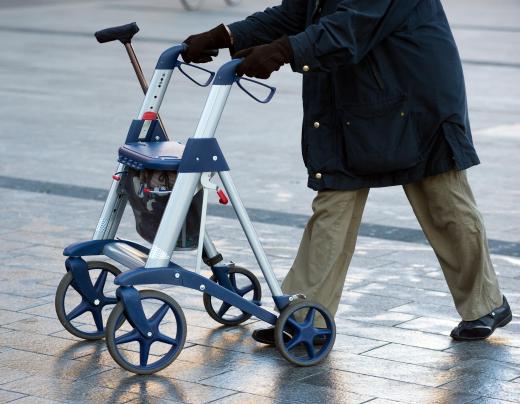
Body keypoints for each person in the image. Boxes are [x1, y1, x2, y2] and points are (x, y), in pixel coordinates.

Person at [181, 0, 512, 344]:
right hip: (353, 98)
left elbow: (349, 25)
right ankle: (306, 317)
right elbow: (296, 13)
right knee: (333, 203)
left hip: (417, 100)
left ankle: (485, 304)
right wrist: (223, 36)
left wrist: (281, 51)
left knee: (444, 205)